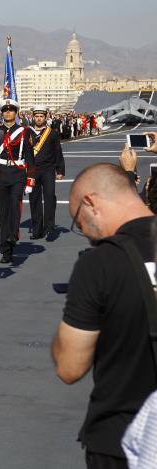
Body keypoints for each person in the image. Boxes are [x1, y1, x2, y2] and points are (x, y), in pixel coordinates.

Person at [51, 162, 157, 468]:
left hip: (123, 437)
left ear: (90, 203)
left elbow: (70, 368)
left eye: (79, 223)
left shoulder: (101, 263)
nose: (85, 234)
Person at [0, 100, 35, 263]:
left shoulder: (24, 132)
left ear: (16, 113)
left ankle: (12, 236)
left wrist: (30, 179)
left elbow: (30, 157)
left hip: (17, 174)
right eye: (5, 110)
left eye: (11, 111)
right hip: (1, 174)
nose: (8, 113)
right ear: (2, 113)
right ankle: (6, 249)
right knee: (3, 212)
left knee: (15, 205)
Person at [28, 106, 65, 240]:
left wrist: (60, 170)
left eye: (41, 116)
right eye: (36, 116)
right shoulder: (27, 132)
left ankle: (49, 226)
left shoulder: (52, 133)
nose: (39, 118)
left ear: (45, 117)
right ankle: (37, 230)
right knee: (34, 199)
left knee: (49, 196)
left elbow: (57, 152)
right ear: (33, 117)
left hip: (48, 169)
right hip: (32, 170)